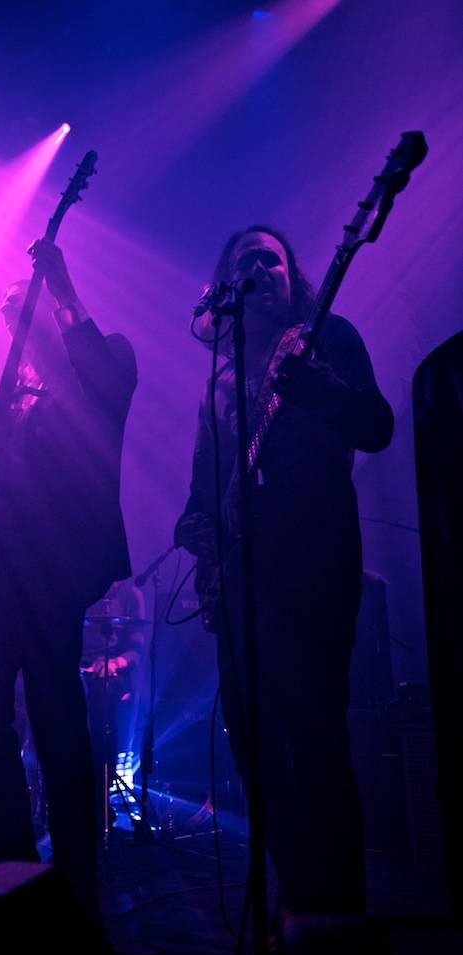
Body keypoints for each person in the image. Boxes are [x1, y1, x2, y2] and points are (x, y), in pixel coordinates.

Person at [175, 226, 394, 919]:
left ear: (291, 273)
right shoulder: (218, 383)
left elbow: (378, 426)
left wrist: (328, 392)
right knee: (253, 742)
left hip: (314, 567)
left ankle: (342, 915)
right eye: (245, 260)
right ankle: (300, 896)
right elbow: (202, 492)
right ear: (227, 283)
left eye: (270, 257)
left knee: (316, 736)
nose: (260, 267)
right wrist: (199, 537)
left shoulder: (328, 338)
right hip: (243, 583)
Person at [0, 239, 137, 913]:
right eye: (8, 311)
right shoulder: (10, 391)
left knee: (55, 714)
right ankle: (16, 866)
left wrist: (61, 291)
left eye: (19, 306)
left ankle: (75, 878)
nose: (12, 317)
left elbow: (105, 391)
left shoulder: (105, 355)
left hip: (52, 567)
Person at [80, 578, 146, 835]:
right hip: (77, 666)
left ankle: (100, 791)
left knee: (101, 697)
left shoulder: (131, 594)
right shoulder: (80, 585)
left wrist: (114, 663)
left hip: (113, 671)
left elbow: (136, 650)